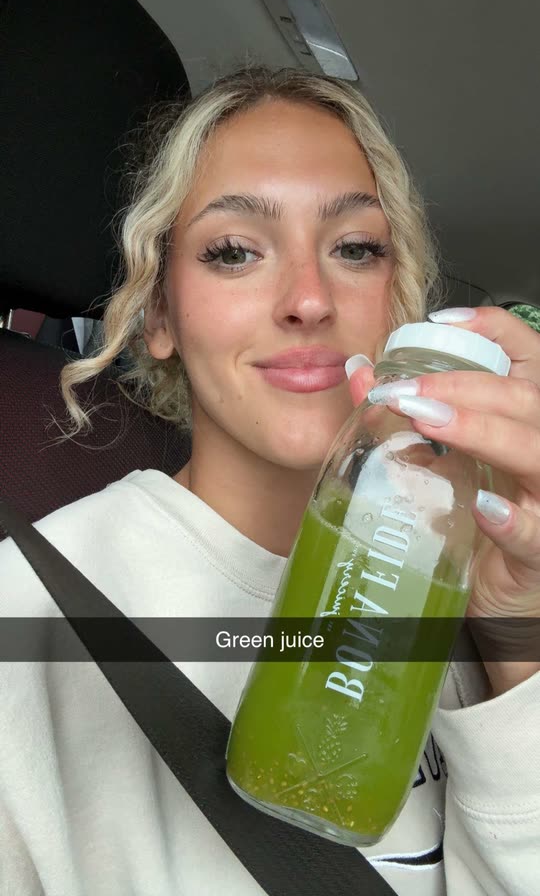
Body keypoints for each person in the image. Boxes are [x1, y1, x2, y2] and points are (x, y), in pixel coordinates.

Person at [0, 66, 538, 896]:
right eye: (234, 252)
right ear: (159, 313)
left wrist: (515, 644)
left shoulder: (478, 572)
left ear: (397, 306)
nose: (309, 300)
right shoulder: (28, 623)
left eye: (355, 249)